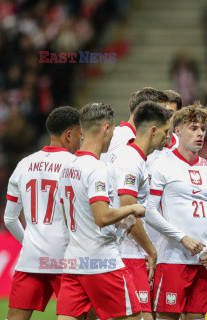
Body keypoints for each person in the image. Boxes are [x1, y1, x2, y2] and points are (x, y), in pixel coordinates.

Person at [56, 102, 146, 320]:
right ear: (106, 129)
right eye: (113, 131)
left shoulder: (66, 167)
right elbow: (102, 217)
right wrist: (132, 208)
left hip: (74, 263)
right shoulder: (96, 168)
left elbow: (70, 218)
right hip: (103, 263)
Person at [144, 103, 207, 320]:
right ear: (177, 130)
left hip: (203, 260)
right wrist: (182, 239)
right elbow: (149, 211)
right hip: (172, 259)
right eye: (193, 128)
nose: (199, 134)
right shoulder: (162, 165)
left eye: (202, 129)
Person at [4, 106, 82, 320]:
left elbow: (9, 219)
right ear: (69, 134)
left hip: (30, 258)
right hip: (66, 260)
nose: (80, 141)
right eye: (79, 135)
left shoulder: (23, 164)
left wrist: (30, 241)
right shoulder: (77, 165)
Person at [106, 101, 172, 320]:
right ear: (153, 131)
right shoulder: (130, 161)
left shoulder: (130, 156)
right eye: (165, 132)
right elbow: (127, 209)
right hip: (126, 253)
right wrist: (151, 250)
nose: (168, 137)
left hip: (120, 250)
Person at [100, 87, 169, 162]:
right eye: (160, 112)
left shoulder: (134, 138)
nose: (164, 117)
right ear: (141, 110)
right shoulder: (123, 139)